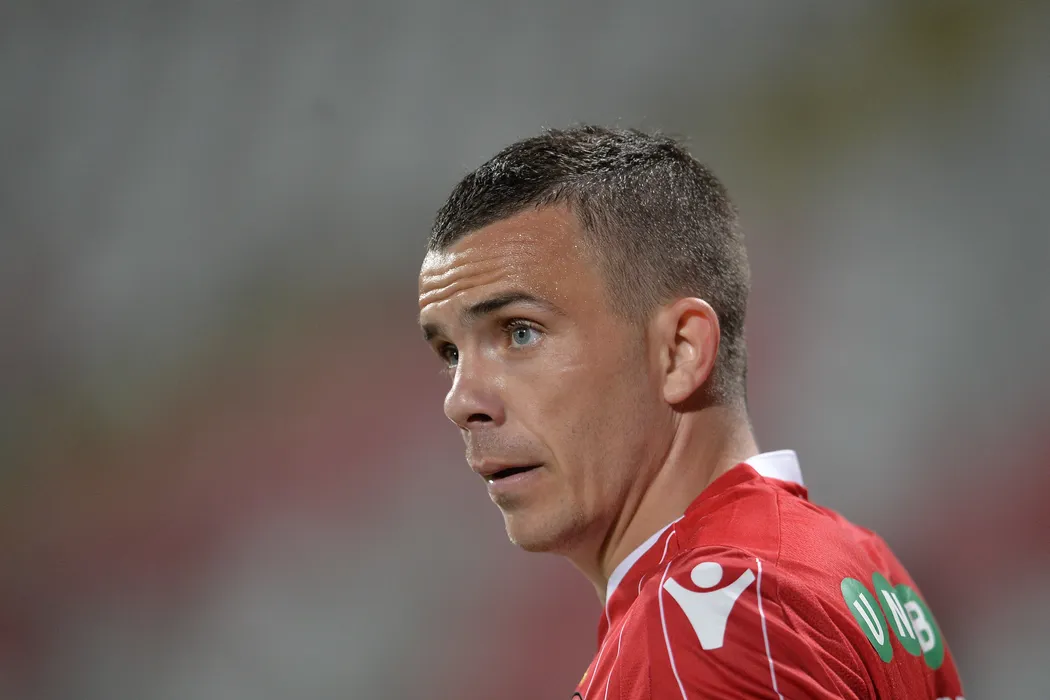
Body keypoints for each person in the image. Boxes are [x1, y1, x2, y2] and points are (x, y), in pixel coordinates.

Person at [416, 126, 965, 699]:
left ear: (680, 351)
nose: (460, 401)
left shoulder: (705, 625)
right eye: (450, 352)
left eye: (520, 332)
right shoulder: (862, 565)